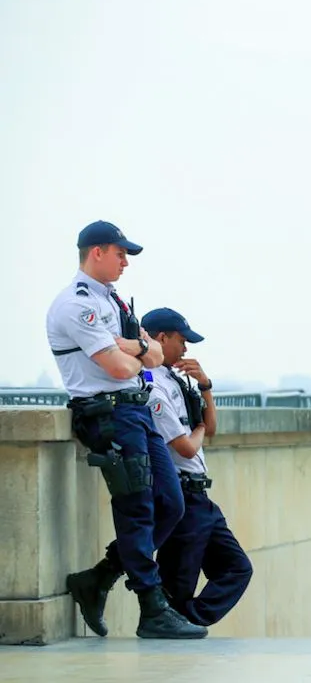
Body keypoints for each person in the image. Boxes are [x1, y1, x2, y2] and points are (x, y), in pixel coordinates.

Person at [47, 220, 207, 639]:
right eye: (120, 254)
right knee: (137, 508)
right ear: (96, 252)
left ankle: (99, 577)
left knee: (170, 503)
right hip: (109, 413)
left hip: (136, 411)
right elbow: (121, 367)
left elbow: (154, 356)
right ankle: (152, 609)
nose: (125, 263)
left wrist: (132, 347)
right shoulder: (75, 304)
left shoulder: (113, 301)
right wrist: (138, 350)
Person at [142, 307, 254, 627]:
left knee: (237, 568)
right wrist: (200, 428)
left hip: (200, 497)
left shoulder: (174, 380)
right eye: (182, 340)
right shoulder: (151, 385)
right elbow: (188, 445)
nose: (185, 349)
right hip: (181, 495)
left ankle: (188, 620)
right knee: (177, 583)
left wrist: (205, 386)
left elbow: (210, 427)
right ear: (161, 338)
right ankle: (172, 628)